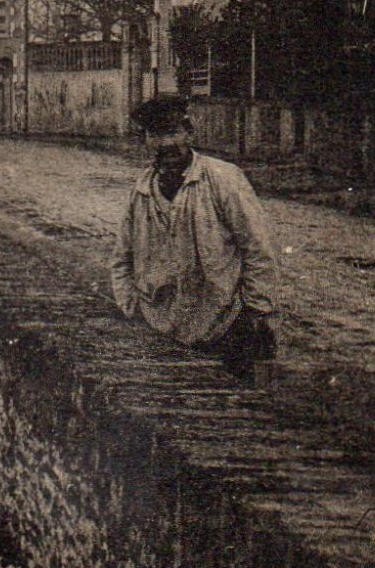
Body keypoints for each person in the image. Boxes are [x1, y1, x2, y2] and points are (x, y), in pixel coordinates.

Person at [111, 94, 278, 383]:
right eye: (156, 135)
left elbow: (257, 249)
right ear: (146, 140)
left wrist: (258, 310)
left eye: (173, 132)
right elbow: (121, 259)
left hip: (224, 325)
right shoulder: (141, 191)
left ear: (189, 132)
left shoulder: (223, 179)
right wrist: (133, 308)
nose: (166, 144)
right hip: (162, 330)